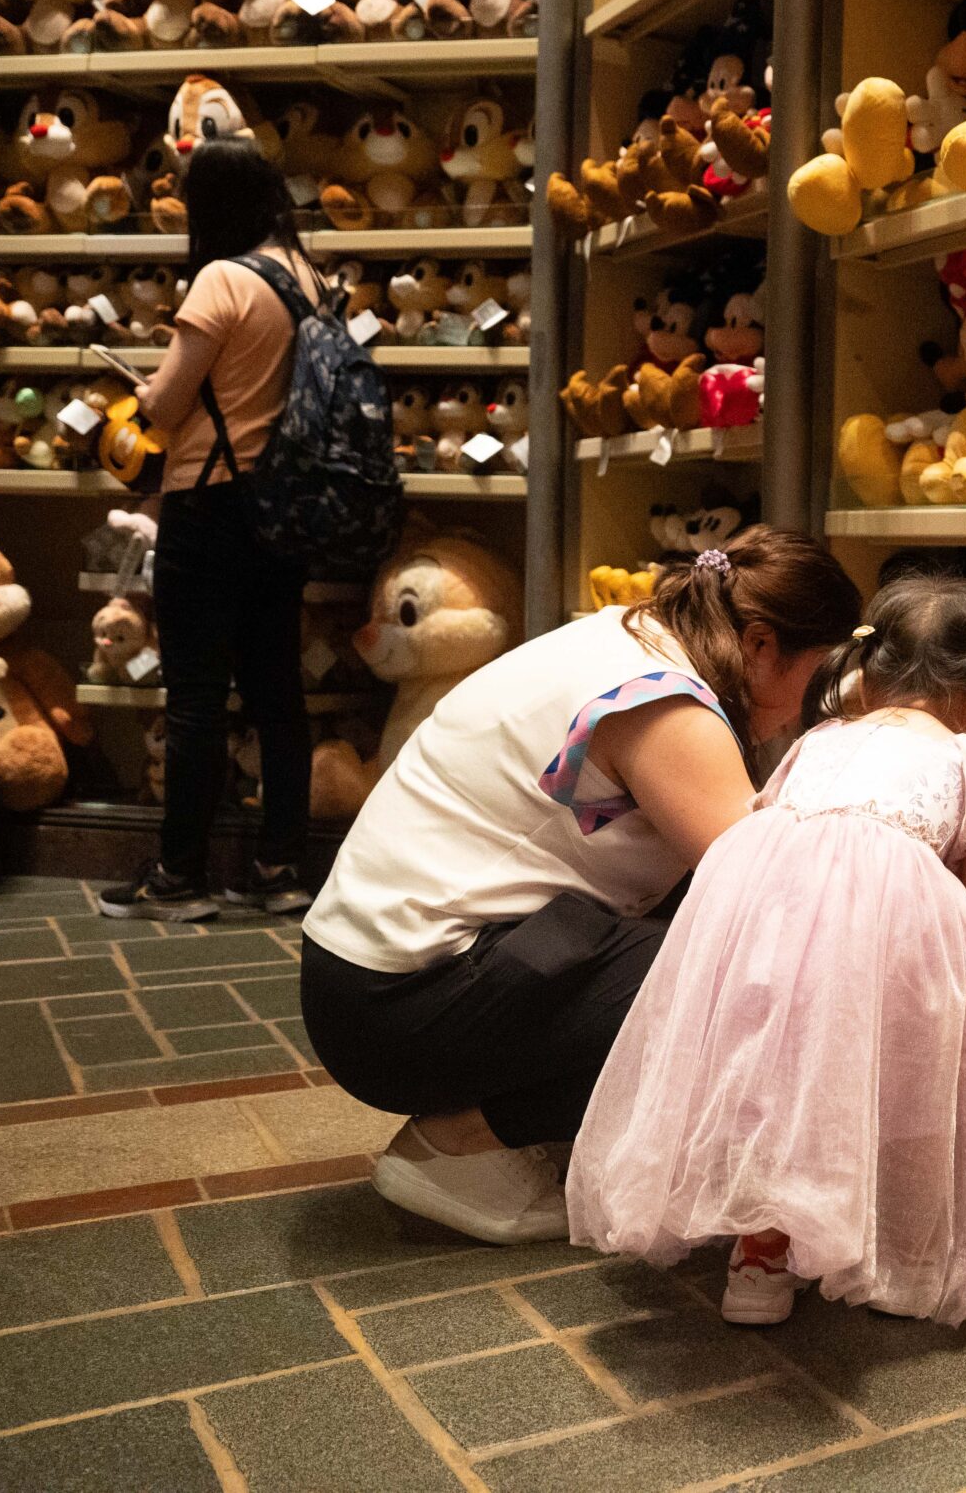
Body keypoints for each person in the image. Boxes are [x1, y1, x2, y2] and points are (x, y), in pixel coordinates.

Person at [299, 531, 863, 1246]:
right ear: (758, 644)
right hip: (393, 1013)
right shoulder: (671, 708)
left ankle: (509, 1123)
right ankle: (458, 1144)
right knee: (749, 977)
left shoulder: (633, 633)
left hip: (361, 981)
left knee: (702, 942)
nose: (810, 710)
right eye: (816, 678)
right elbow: (775, 900)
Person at [567, 573, 966, 1329]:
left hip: (756, 931)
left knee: (773, 1085)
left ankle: (761, 1252)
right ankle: (895, 1245)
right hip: (885, 945)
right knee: (890, 1084)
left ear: (864, 672)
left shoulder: (817, 739)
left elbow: (775, 833)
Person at [99, 141, 329, 923]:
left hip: (210, 505)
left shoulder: (220, 279)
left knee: (196, 696)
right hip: (284, 508)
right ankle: (280, 865)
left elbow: (165, 404)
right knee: (278, 695)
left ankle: (178, 875)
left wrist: (142, 390)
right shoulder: (309, 278)